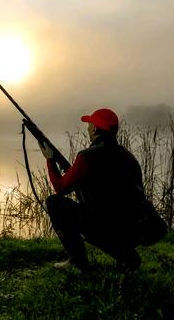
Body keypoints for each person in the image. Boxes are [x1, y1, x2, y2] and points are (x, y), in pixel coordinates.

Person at [38, 108, 144, 273]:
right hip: (134, 229)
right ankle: (127, 256)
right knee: (110, 220)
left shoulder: (88, 156)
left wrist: (50, 160)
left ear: (95, 129)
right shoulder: (129, 157)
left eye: (90, 125)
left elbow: (60, 187)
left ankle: (78, 262)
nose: (88, 128)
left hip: (104, 229)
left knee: (54, 203)